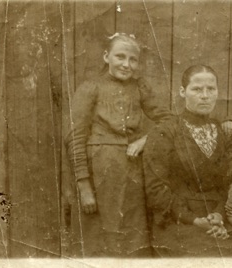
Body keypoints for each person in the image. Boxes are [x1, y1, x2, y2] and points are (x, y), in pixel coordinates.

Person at [143, 65, 232, 257]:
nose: (205, 95)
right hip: (178, 221)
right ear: (183, 92)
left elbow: (231, 184)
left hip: (221, 218)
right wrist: (194, 220)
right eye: (197, 89)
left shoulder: (222, 131)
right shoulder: (165, 131)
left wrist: (219, 214)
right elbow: (156, 190)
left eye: (211, 89)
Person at [65, 33, 171, 257]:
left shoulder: (140, 87)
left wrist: (145, 140)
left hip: (133, 171)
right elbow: (75, 137)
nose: (126, 64)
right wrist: (84, 187)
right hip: (99, 174)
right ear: (106, 57)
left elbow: (169, 120)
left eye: (133, 59)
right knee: (99, 239)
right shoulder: (90, 88)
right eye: (120, 57)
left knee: (133, 238)